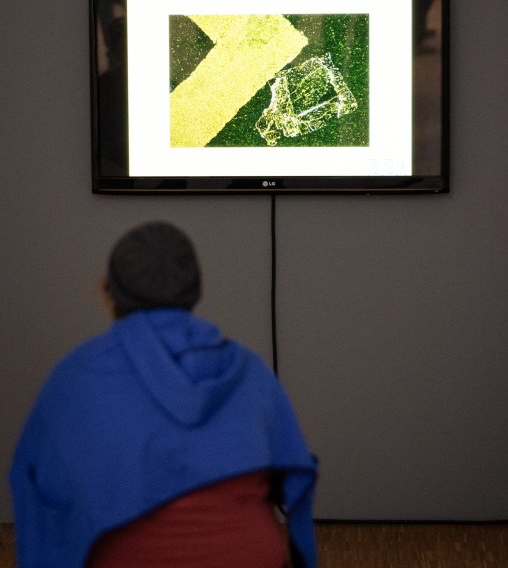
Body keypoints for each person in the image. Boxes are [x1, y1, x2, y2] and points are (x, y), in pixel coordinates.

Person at [10, 222, 318, 568]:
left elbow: (35, 486)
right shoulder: (249, 368)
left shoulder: (75, 376)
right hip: (249, 555)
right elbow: (294, 474)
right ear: (194, 289)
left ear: (110, 293)